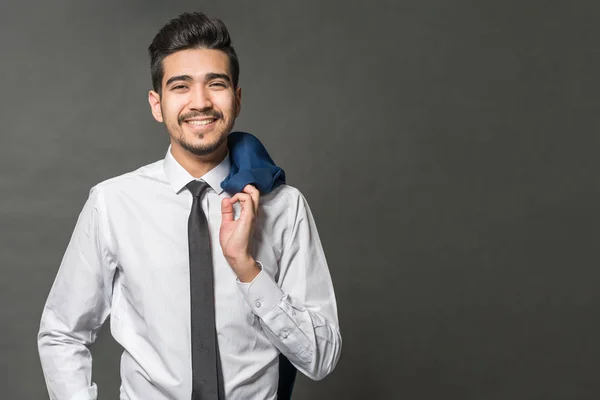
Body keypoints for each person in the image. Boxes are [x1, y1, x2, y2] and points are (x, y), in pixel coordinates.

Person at [37, 11, 341, 400]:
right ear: (156, 104)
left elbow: (322, 357)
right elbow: (62, 332)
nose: (200, 102)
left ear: (237, 98)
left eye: (216, 84)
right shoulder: (113, 203)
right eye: (180, 86)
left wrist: (248, 270)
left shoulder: (283, 207)